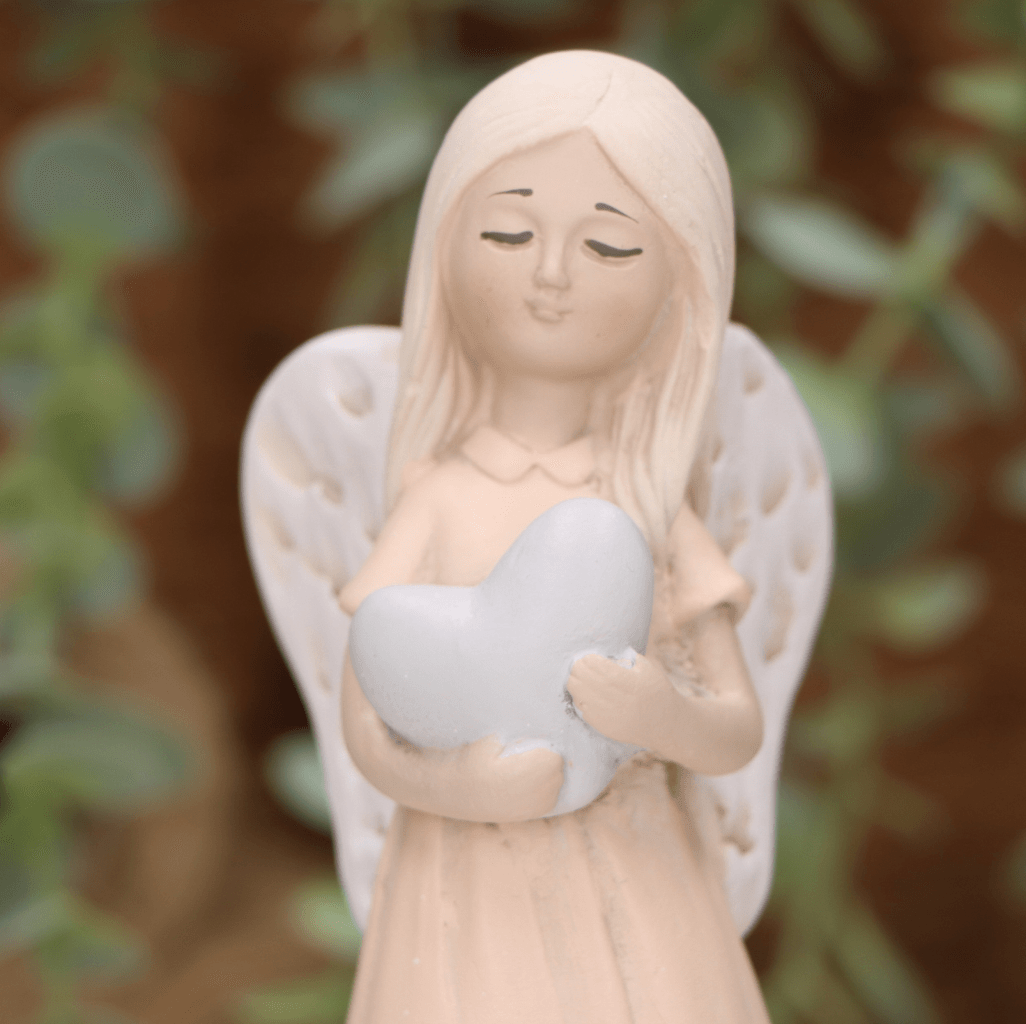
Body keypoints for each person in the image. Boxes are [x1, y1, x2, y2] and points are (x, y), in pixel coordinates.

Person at [337, 50, 772, 1023]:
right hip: (461, 893)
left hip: (628, 883)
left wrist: (659, 712)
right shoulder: (439, 496)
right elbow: (363, 719)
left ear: (683, 283)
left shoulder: (648, 506)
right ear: (445, 245)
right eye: (508, 231)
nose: (549, 273)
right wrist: (457, 784)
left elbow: (737, 726)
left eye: (609, 247)